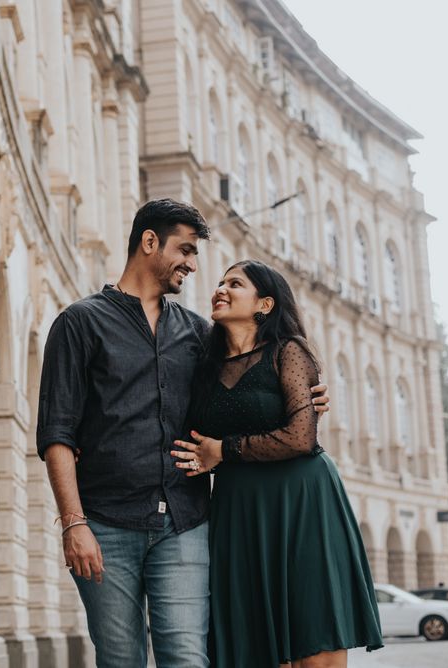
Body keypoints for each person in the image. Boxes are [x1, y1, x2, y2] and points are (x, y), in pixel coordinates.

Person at [35, 199, 329, 666]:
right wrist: (74, 524)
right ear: (149, 242)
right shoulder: (80, 323)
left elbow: (252, 380)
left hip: (185, 524)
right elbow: (57, 433)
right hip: (106, 525)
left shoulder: (199, 335)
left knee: (189, 659)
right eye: (186, 251)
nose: (193, 265)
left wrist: (304, 396)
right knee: (120, 659)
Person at [172, 260, 382, 668]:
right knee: (253, 644)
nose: (221, 288)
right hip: (239, 509)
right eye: (220, 282)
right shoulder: (204, 366)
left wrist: (223, 452)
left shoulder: (290, 351)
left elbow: (302, 438)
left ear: (264, 304)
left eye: (235, 283)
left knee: (312, 637)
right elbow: (194, 436)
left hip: (301, 500)